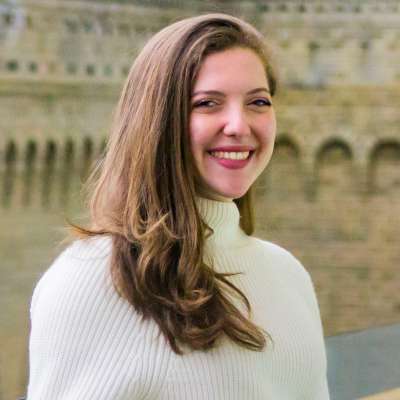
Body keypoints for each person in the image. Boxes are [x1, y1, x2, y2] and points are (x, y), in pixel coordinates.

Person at [26, 13, 330, 399]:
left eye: (258, 101)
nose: (238, 125)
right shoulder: (92, 281)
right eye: (207, 103)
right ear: (158, 120)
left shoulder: (288, 275)